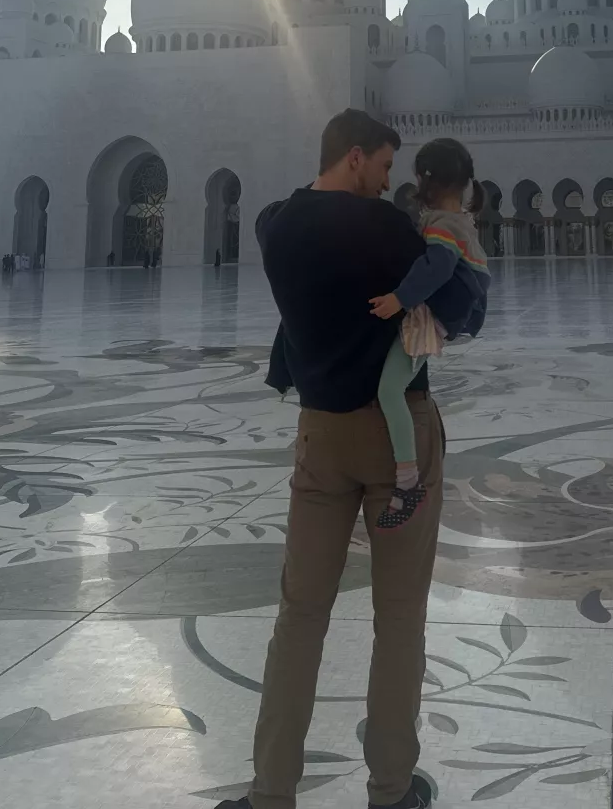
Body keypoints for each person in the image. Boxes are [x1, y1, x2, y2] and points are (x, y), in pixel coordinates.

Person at [218, 109, 440, 809]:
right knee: (398, 617)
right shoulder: (389, 230)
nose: (385, 180)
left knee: (300, 613)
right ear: (353, 157)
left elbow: (286, 211)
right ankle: (391, 788)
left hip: (321, 437)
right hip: (398, 437)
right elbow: (455, 300)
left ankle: (270, 792)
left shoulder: (275, 226)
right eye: (380, 165)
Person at [368, 137, 489, 529]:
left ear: (427, 181)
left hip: (433, 316)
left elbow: (437, 268)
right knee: (393, 385)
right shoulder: (458, 221)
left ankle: (407, 481)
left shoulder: (444, 224)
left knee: (389, 391)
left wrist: (398, 299)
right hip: (444, 314)